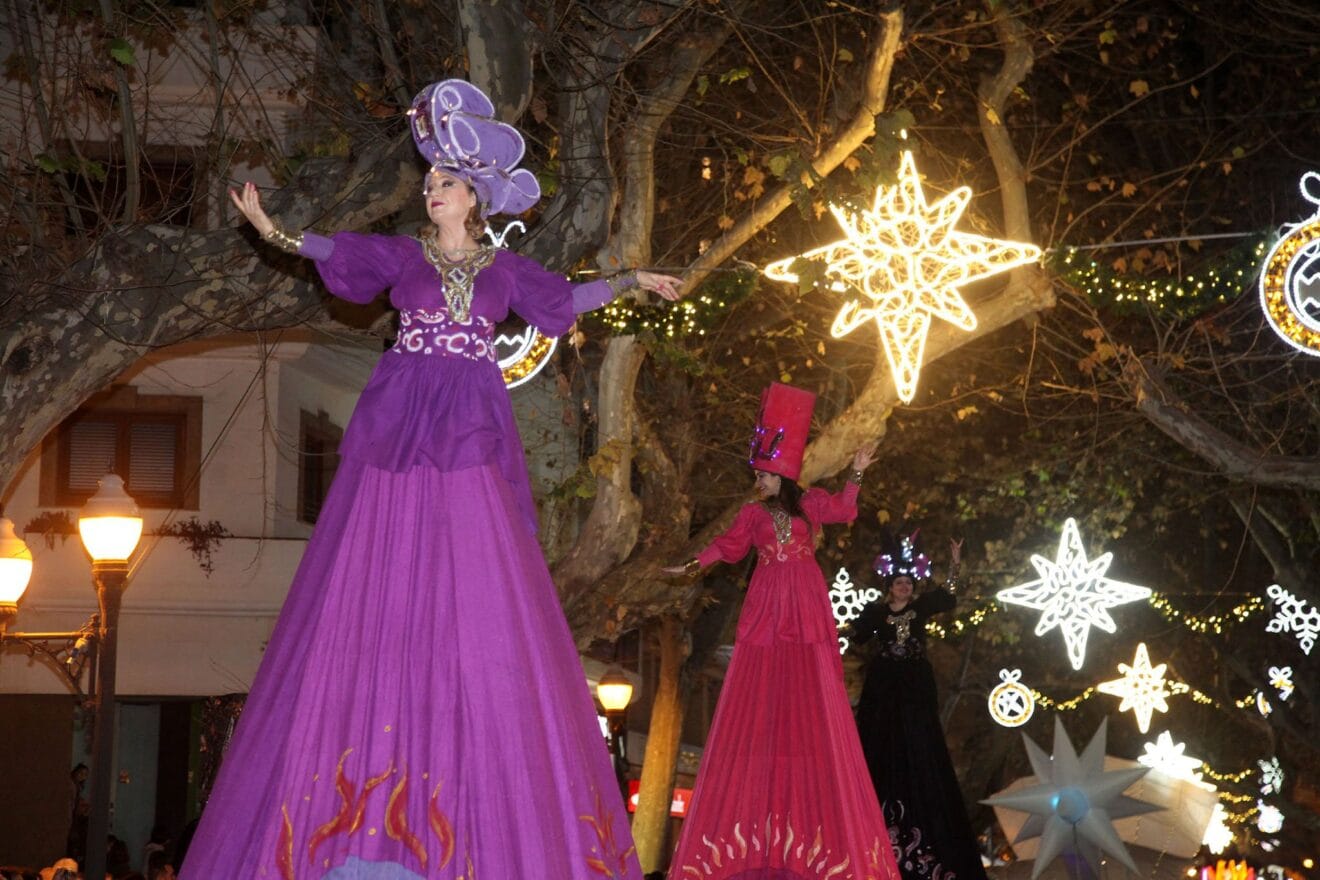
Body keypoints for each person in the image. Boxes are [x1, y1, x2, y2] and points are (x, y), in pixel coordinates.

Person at [180, 79, 681, 879]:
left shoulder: (506, 269)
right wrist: (275, 232)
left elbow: (564, 298)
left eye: (443, 181)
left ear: (472, 195)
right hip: (403, 412)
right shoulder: (404, 256)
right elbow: (337, 252)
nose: (430, 189)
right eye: (428, 181)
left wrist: (631, 280)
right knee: (383, 551)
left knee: (477, 561)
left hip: (471, 416)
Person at [662, 383, 900, 880]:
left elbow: (845, 510)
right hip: (770, 598)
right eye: (757, 474)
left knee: (812, 678)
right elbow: (726, 548)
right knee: (765, 676)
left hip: (807, 599)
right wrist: (690, 565)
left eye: (764, 474)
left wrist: (856, 470)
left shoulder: (810, 504)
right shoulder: (751, 515)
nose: (759, 480)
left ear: (781, 474)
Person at [849, 532, 988, 880]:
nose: (905, 588)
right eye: (899, 582)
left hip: (914, 687)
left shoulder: (920, 607)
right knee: (877, 741)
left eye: (909, 583)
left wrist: (955, 564)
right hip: (882, 688)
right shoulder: (875, 612)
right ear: (890, 584)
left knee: (916, 738)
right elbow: (854, 635)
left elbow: (948, 596)